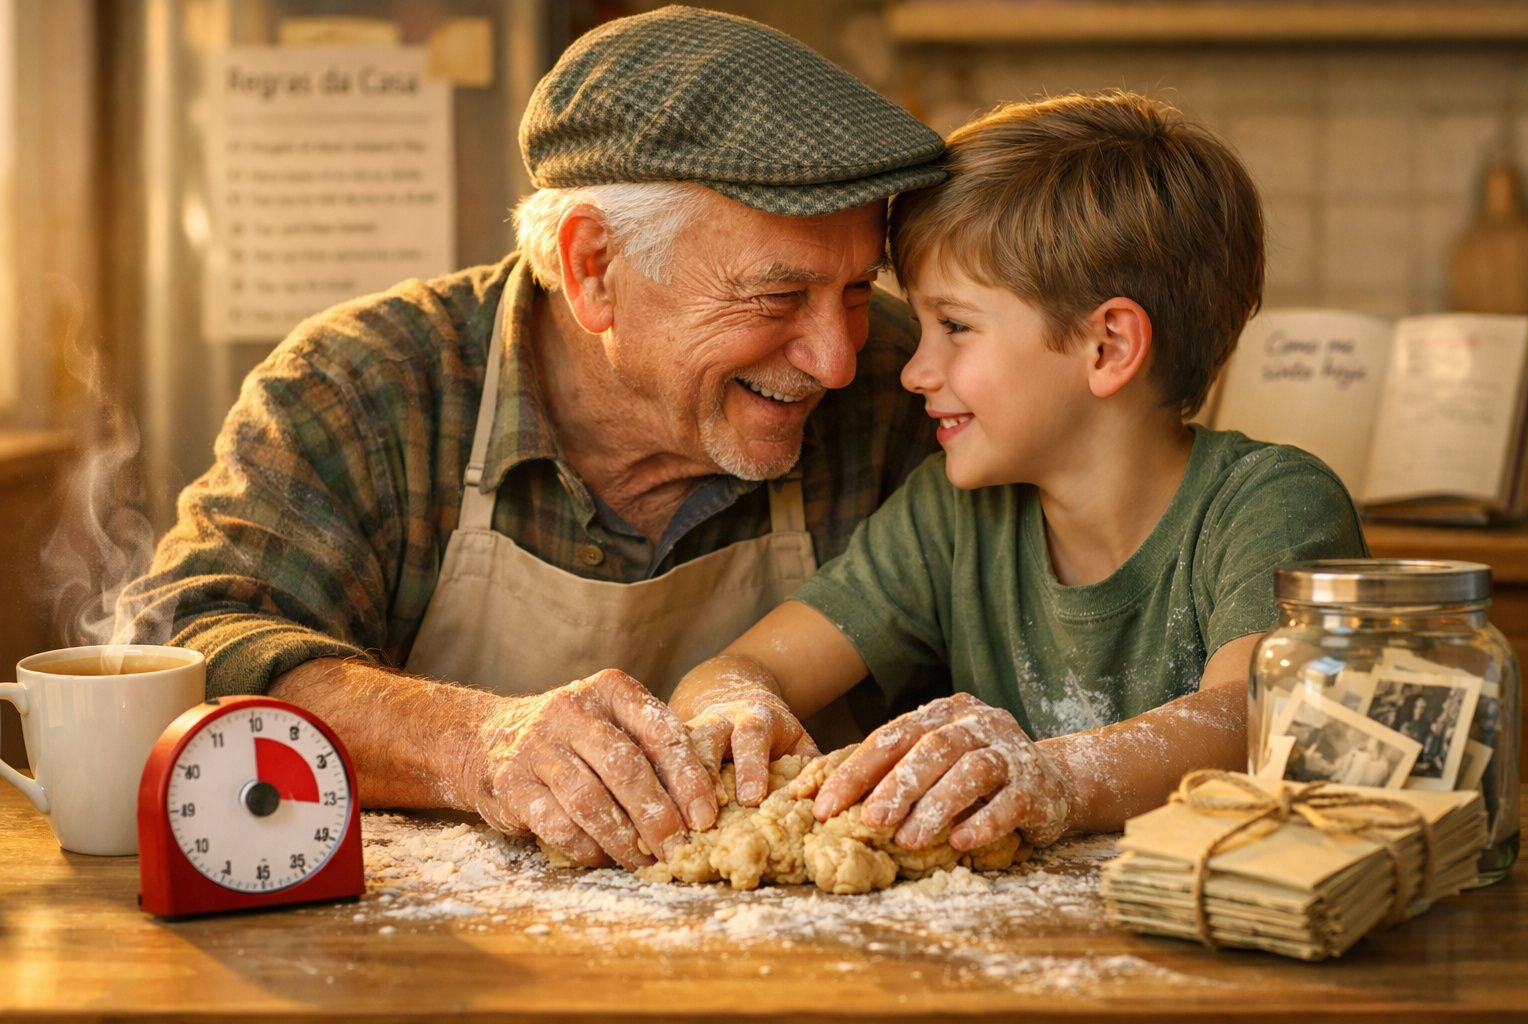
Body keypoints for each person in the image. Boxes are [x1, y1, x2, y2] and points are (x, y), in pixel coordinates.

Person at [119, 7, 945, 871]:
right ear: (594, 268)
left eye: (858, 289)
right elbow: (184, 650)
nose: (836, 360)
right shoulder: (368, 388)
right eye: (777, 297)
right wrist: (474, 743)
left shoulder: (909, 384)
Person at [669, 91, 1371, 852]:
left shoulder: (1271, 505)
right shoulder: (951, 518)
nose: (914, 371)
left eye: (955, 326)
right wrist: (738, 708)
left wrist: (1057, 776)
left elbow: (1258, 719)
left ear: (1108, 347)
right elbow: (742, 670)